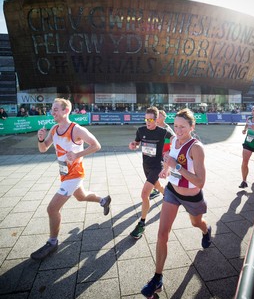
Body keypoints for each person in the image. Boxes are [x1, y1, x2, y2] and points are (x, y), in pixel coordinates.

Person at [141, 108, 211, 299]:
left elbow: (200, 181)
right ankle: (157, 279)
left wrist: (176, 165)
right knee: (162, 233)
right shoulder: (173, 140)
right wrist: (165, 170)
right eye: (176, 126)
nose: (178, 130)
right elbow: (170, 160)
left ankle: (206, 230)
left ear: (192, 126)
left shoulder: (196, 148)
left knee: (196, 223)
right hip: (172, 191)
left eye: (183, 127)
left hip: (191, 196)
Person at [30, 98, 111, 261]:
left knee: (52, 209)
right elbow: (43, 149)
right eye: (52, 109)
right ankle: (103, 200)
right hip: (64, 173)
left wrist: (77, 155)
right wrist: (40, 138)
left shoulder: (76, 129)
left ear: (66, 111)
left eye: (56, 109)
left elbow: (96, 145)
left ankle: (52, 242)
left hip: (74, 174)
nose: (53, 112)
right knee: (81, 197)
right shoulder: (54, 129)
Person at [128, 106, 173, 239]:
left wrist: (169, 158)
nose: (148, 122)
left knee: (144, 194)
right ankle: (166, 194)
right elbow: (136, 143)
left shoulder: (163, 132)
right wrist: (133, 145)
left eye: (151, 119)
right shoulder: (141, 130)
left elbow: (175, 140)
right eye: (146, 119)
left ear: (156, 119)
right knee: (156, 185)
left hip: (157, 166)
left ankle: (141, 223)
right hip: (145, 165)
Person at [149, 109, 175, 200]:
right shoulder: (154, 127)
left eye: (159, 116)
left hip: (165, 155)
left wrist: (169, 151)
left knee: (166, 173)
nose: (157, 117)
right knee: (153, 172)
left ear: (164, 118)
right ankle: (156, 189)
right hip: (156, 154)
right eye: (157, 115)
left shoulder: (166, 129)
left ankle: (170, 190)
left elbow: (174, 140)